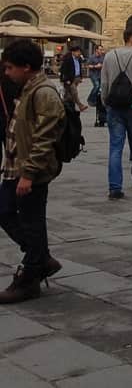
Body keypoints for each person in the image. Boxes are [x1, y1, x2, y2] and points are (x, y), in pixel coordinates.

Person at [0, 40, 65, 303]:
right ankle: (40, 259)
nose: (6, 73)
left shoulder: (44, 92)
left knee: (31, 219)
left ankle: (30, 276)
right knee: (7, 211)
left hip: (30, 171)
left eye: (9, 68)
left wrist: (29, 174)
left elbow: (44, 139)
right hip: (15, 166)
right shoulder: (27, 88)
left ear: (26, 67)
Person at [101, 27, 132, 199]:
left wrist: (105, 101)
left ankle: (115, 187)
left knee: (115, 147)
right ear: (131, 38)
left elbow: (104, 82)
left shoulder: (109, 55)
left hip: (115, 107)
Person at [59, 46, 88, 114]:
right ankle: (80, 105)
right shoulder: (68, 59)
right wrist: (65, 80)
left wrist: (81, 77)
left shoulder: (79, 59)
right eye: (78, 52)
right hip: (69, 79)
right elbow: (63, 70)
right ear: (73, 52)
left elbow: (79, 68)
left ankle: (63, 106)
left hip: (77, 78)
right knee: (74, 92)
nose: (79, 53)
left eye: (80, 52)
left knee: (68, 95)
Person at [85, 46, 107, 127]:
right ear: (96, 50)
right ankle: (90, 100)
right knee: (97, 86)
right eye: (100, 49)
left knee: (101, 89)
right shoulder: (92, 57)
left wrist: (102, 65)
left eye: (102, 49)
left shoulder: (103, 57)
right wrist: (95, 66)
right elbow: (87, 65)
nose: (102, 51)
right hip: (93, 74)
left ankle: (97, 100)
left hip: (100, 75)